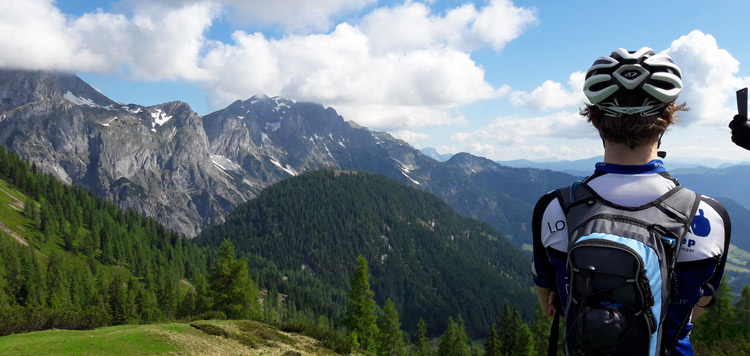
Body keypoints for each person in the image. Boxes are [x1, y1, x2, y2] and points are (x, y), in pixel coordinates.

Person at [532, 47, 731, 356]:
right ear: (668, 119)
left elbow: (550, 304)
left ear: (595, 120)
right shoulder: (708, 216)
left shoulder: (555, 207)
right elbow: (696, 307)